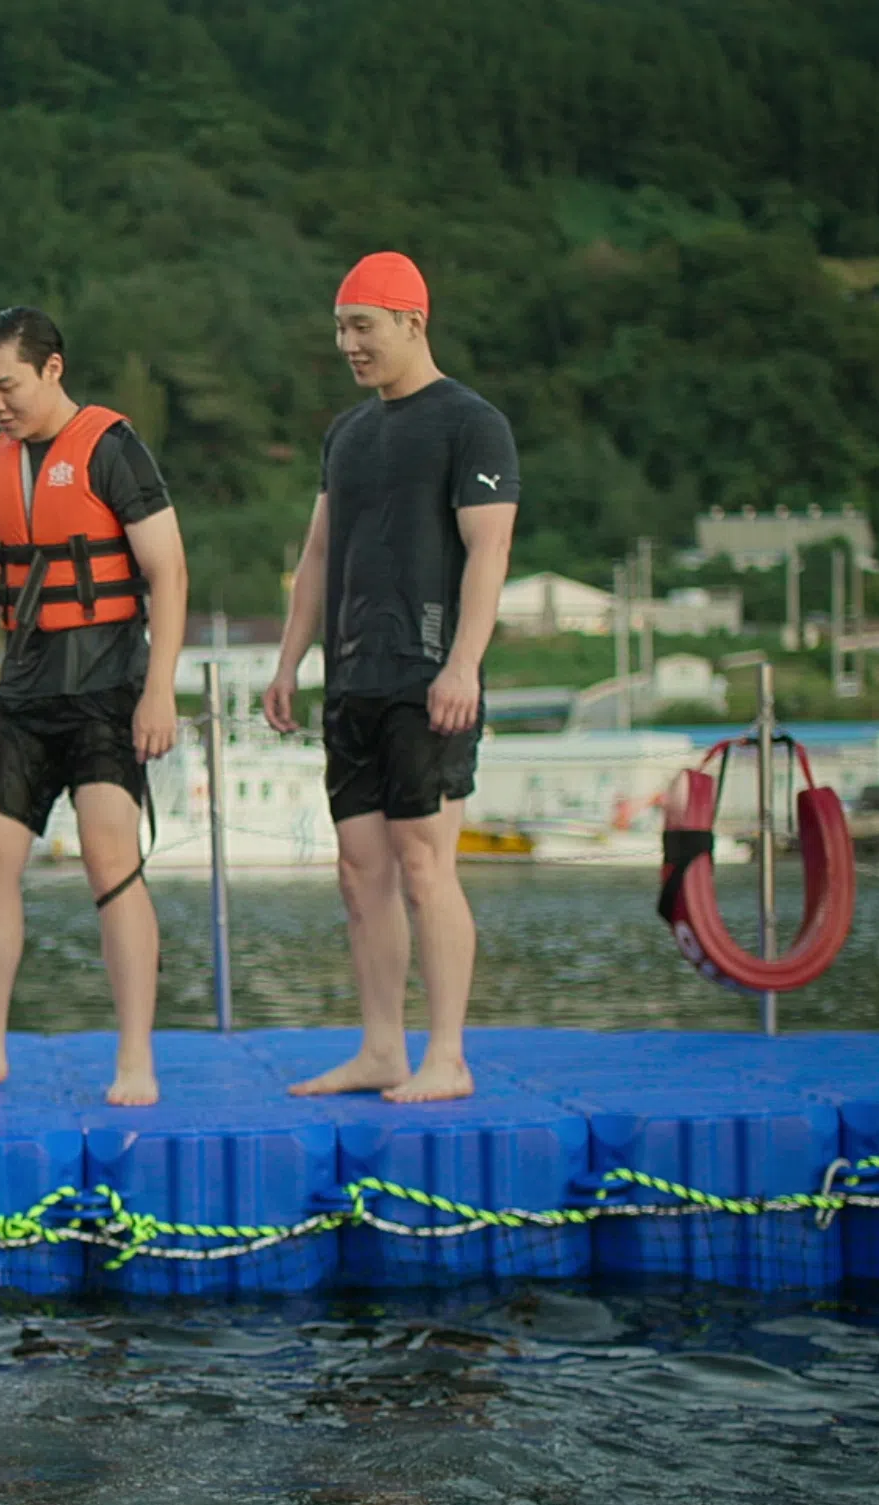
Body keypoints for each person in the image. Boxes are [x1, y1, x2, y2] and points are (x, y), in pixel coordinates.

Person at [0, 306, 189, 1106]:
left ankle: (135, 1057)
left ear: (52, 370)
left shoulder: (112, 449)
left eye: (6, 385)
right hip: (26, 690)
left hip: (106, 688)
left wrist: (159, 687)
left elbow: (168, 571)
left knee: (110, 858)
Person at [263, 252, 518, 1104]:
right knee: (356, 867)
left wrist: (463, 666)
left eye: (361, 325)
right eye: (339, 328)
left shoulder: (470, 423)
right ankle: (381, 1049)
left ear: (413, 321)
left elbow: (489, 551)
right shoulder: (347, 434)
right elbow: (318, 556)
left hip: (427, 676)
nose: (347, 343)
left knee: (423, 864)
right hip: (354, 678)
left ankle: (447, 1054)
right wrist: (290, 661)